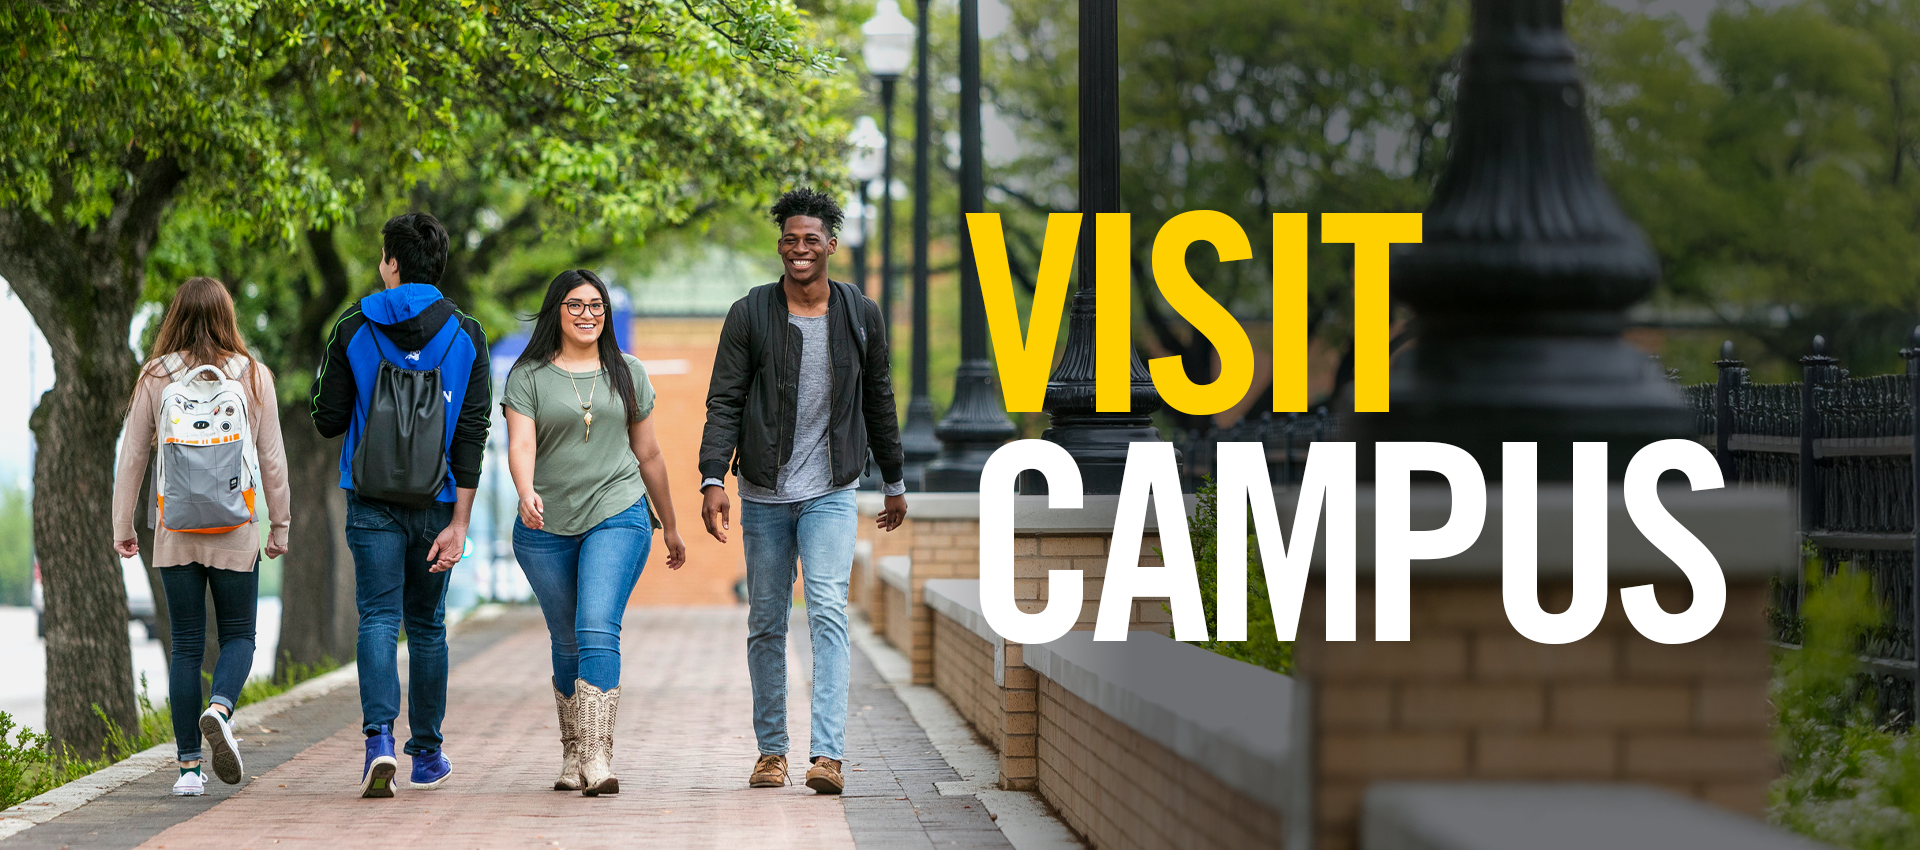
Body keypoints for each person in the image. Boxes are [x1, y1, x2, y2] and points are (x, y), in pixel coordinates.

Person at [699, 188, 908, 795]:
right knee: (766, 620)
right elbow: (725, 401)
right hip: (763, 492)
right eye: (790, 239)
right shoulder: (751, 313)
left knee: (827, 612)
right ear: (781, 245)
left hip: (833, 490)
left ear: (830, 246)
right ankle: (771, 753)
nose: (799, 249)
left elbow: (880, 400)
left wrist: (893, 481)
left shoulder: (859, 314)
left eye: (811, 239)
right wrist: (714, 477)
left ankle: (828, 756)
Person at [310, 212, 491, 798]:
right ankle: (428, 753)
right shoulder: (466, 333)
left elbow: (328, 417)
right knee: (427, 626)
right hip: (439, 503)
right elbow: (472, 430)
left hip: (371, 503)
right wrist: (460, 522)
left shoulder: (352, 326)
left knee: (379, 619)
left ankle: (378, 741)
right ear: (436, 264)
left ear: (391, 262)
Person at [503, 269, 688, 796]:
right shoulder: (529, 376)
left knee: (596, 625)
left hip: (619, 511)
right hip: (545, 523)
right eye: (575, 305)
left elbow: (648, 452)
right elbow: (520, 445)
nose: (588, 315)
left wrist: (669, 524)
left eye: (597, 306)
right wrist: (524, 489)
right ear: (556, 312)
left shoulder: (628, 372)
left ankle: (599, 755)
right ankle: (574, 751)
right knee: (566, 642)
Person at [111, 277, 291, 797]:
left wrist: (123, 525)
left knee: (186, 646)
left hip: (175, 528)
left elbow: (133, 457)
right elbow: (273, 459)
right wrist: (279, 525)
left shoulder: (155, 375)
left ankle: (189, 770)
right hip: (236, 527)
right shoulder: (253, 375)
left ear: (174, 318)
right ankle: (221, 708)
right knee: (239, 636)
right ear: (228, 316)